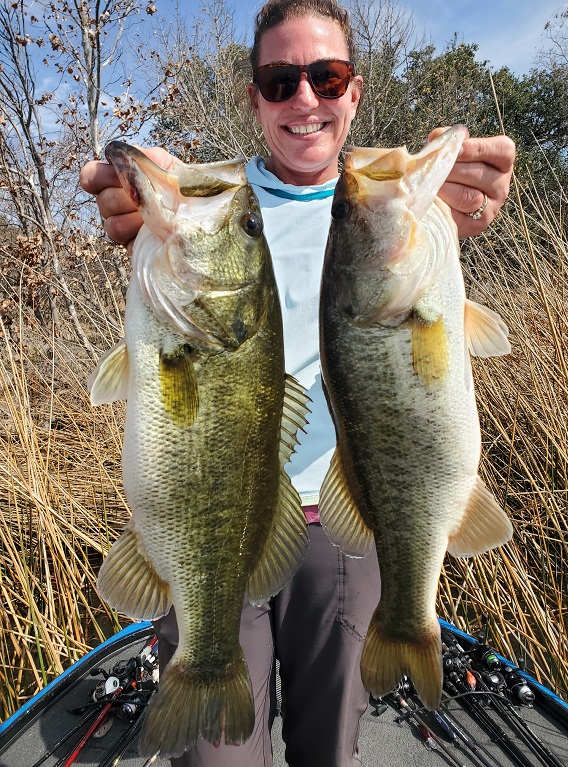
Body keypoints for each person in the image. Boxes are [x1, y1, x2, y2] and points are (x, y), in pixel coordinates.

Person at [80, 1, 516, 765]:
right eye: (280, 81)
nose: (305, 97)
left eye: (328, 76)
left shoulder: (394, 206)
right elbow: (129, 184)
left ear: (354, 91)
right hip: (219, 520)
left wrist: (465, 188)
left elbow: (440, 232)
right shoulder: (217, 202)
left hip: (346, 520)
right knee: (215, 751)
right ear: (253, 97)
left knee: (329, 746)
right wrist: (126, 182)